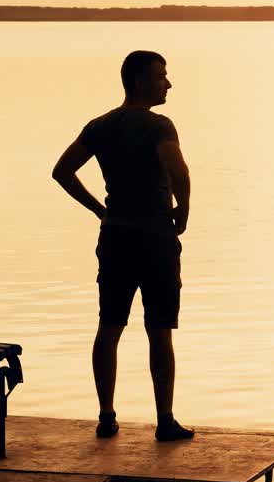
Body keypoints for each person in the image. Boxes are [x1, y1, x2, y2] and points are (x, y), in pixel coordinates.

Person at [52, 50, 195, 442]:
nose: (168, 83)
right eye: (161, 76)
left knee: (109, 326)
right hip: (155, 239)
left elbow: (62, 171)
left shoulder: (99, 126)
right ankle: (164, 420)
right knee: (159, 329)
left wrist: (100, 210)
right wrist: (183, 210)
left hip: (115, 237)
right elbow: (179, 170)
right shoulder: (160, 125)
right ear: (139, 82)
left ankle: (106, 416)